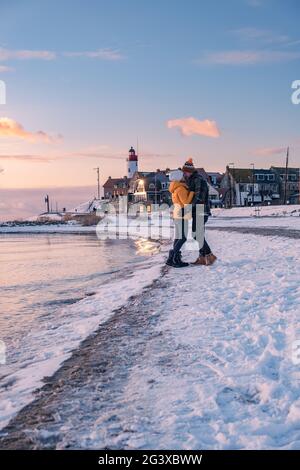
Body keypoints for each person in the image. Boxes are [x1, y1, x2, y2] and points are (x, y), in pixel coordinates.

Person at [182, 158, 217, 266]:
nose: (184, 174)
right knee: (198, 234)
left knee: (197, 234)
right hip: (197, 211)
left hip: (201, 210)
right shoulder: (191, 180)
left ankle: (209, 255)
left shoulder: (198, 180)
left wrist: (187, 208)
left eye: (185, 172)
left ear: (190, 171)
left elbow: (199, 198)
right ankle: (202, 258)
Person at [166, 169, 194, 268]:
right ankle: (173, 257)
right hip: (181, 213)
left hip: (176, 214)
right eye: (182, 176)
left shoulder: (174, 188)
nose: (183, 177)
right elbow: (186, 202)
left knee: (178, 236)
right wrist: (192, 193)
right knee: (183, 237)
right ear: (178, 177)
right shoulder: (181, 189)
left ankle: (173, 259)